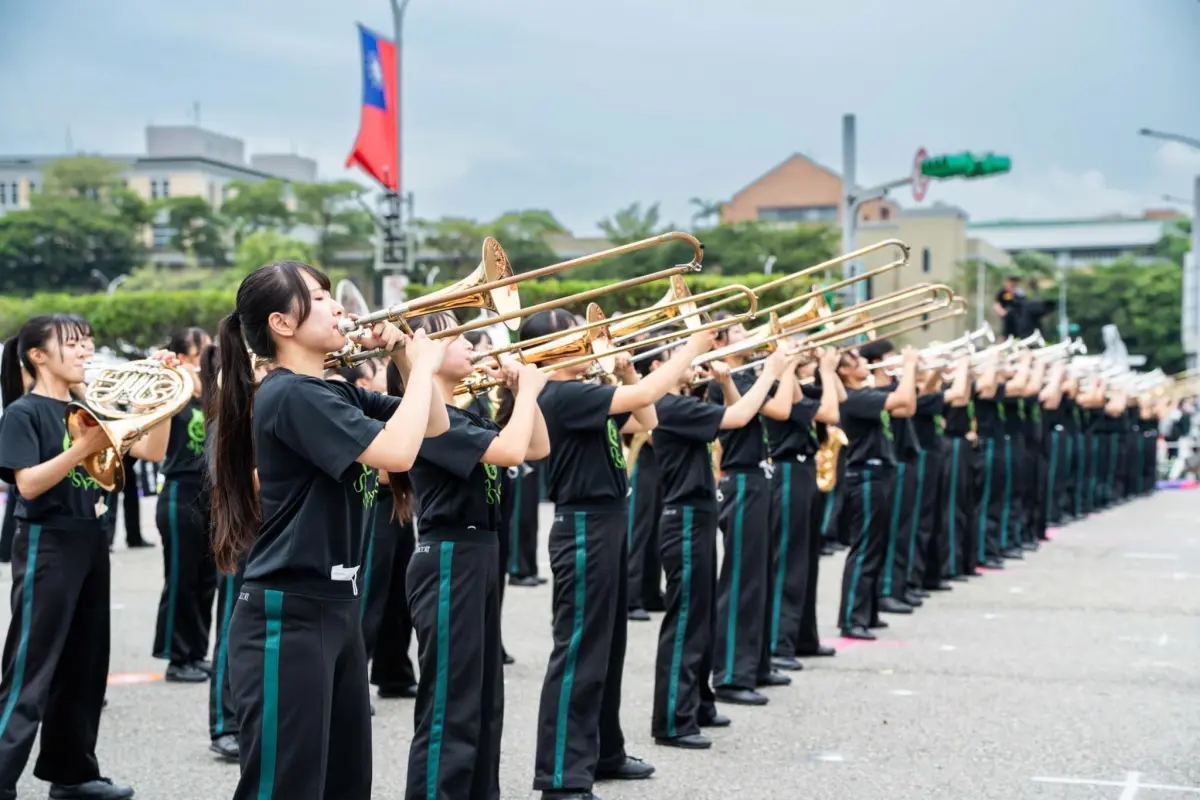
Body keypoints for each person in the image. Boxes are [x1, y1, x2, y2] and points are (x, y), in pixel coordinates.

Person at [209, 260, 450, 800]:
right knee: (285, 786)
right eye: (319, 297)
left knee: (344, 781)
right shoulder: (291, 393)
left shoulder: (332, 389)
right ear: (282, 323)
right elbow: (395, 450)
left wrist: (408, 363)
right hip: (288, 612)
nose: (338, 305)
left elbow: (433, 426)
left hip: (336, 603)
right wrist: (422, 365)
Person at [528, 310, 710, 800]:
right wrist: (694, 345)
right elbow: (651, 399)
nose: (591, 341)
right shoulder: (561, 392)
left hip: (606, 520)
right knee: (580, 650)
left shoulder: (583, 391)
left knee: (607, 648)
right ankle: (561, 775)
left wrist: (629, 369)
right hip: (584, 525)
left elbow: (648, 419)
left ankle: (604, 752)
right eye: (578, 334)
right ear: (554, 346)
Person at [0, 314, 175, 800]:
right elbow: (27, 485)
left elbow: (155, 452)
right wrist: (83, 448)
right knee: (31, 668)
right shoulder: (24, 412)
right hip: (46, 541)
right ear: (37, 356)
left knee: (85, 664)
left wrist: (157, 401)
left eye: (87, 342)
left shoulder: (87, 407)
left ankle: (73, 774)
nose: (85, 351)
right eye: (72, 344)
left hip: (90, 539)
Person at [390, 310, 550, 800]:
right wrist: (525, 393)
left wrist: (523, 391)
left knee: (483, 700)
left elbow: (537, 446)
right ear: (430, 352)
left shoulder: (463, 412)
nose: (474, 346)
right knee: (450, 704)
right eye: (459, 338)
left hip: (478, 551)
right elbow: (510, 453)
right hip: (449, 555)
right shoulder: (432, 420)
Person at [648, 340, 790, 748]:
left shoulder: (678, 404)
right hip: (686, 516)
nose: (692, 367)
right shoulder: (671, 406)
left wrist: (729, 381)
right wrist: (772, 370)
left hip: (697, 513)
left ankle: (699, 703)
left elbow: (737, 417)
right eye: (684, 361)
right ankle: (674, 720)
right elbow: (742, 415)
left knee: (703, 616)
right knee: (687, 620)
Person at [757, 347, 842, 673]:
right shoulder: (774, 390)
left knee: (807, 560)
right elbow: (831, 413)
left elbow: (838, 398)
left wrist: (827, 368)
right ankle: (780, 643)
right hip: (787, 470)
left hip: (805, 471)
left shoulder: (795, 388)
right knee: (788, 561)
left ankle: (803, 636)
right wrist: (792, 364)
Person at [835, 345, 917, 640]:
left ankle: (866, 613)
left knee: (876, 547)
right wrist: (908, 366)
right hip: (865, 475)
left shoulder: (865, 394)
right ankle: (851, 619)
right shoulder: (855, 398)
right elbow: (904, 397)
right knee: (864, 548)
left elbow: (907, 408)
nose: (863, 363)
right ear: (844, 371)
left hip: (879, 473)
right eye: (856, 360)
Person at [152, 327, 219, 684]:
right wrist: (169, 380)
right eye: (199, 352)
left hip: (211, 493)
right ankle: (177, 657)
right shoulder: (171, 393)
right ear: (181, 358)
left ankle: (197, 651)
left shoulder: (212, 394)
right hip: (179, 492)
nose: (205, 358)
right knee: (181, 579)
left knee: (208, 579)